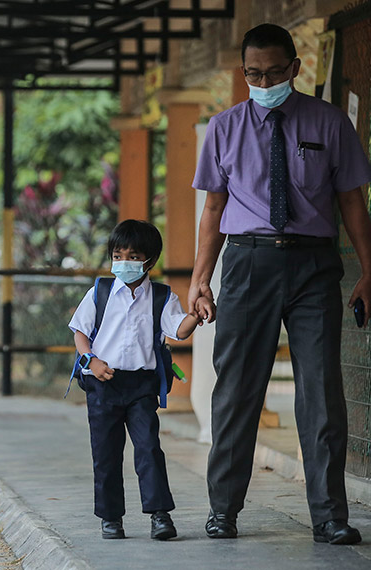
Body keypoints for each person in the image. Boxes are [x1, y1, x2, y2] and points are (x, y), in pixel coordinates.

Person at [190, 23, 371, 545]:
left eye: (272, 72)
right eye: (252, 73)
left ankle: (330, 516)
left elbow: (352, 203)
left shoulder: (330, 123)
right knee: (237, 392)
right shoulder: (224, 127)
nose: (263, 80)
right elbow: (213, 210)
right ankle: (223, 509)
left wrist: (368, 271)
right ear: (243, 72)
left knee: (320, 392)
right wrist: (201, 281)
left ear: (295, 69)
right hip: (248, 265)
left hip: (315, 268)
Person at [68, 220, 214, 540]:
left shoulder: (161, 296)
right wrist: (92, 360)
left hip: (141, 388)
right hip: (102, 384)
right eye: (117, 256)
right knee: (105, 453)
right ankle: (110, 518)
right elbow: (80, 332)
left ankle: (160, 515)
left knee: (149, 449)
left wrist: (197, 313)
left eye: (132, 256)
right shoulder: (100, 292)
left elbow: (178, 329)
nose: (123, 263)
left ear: (149, 261)